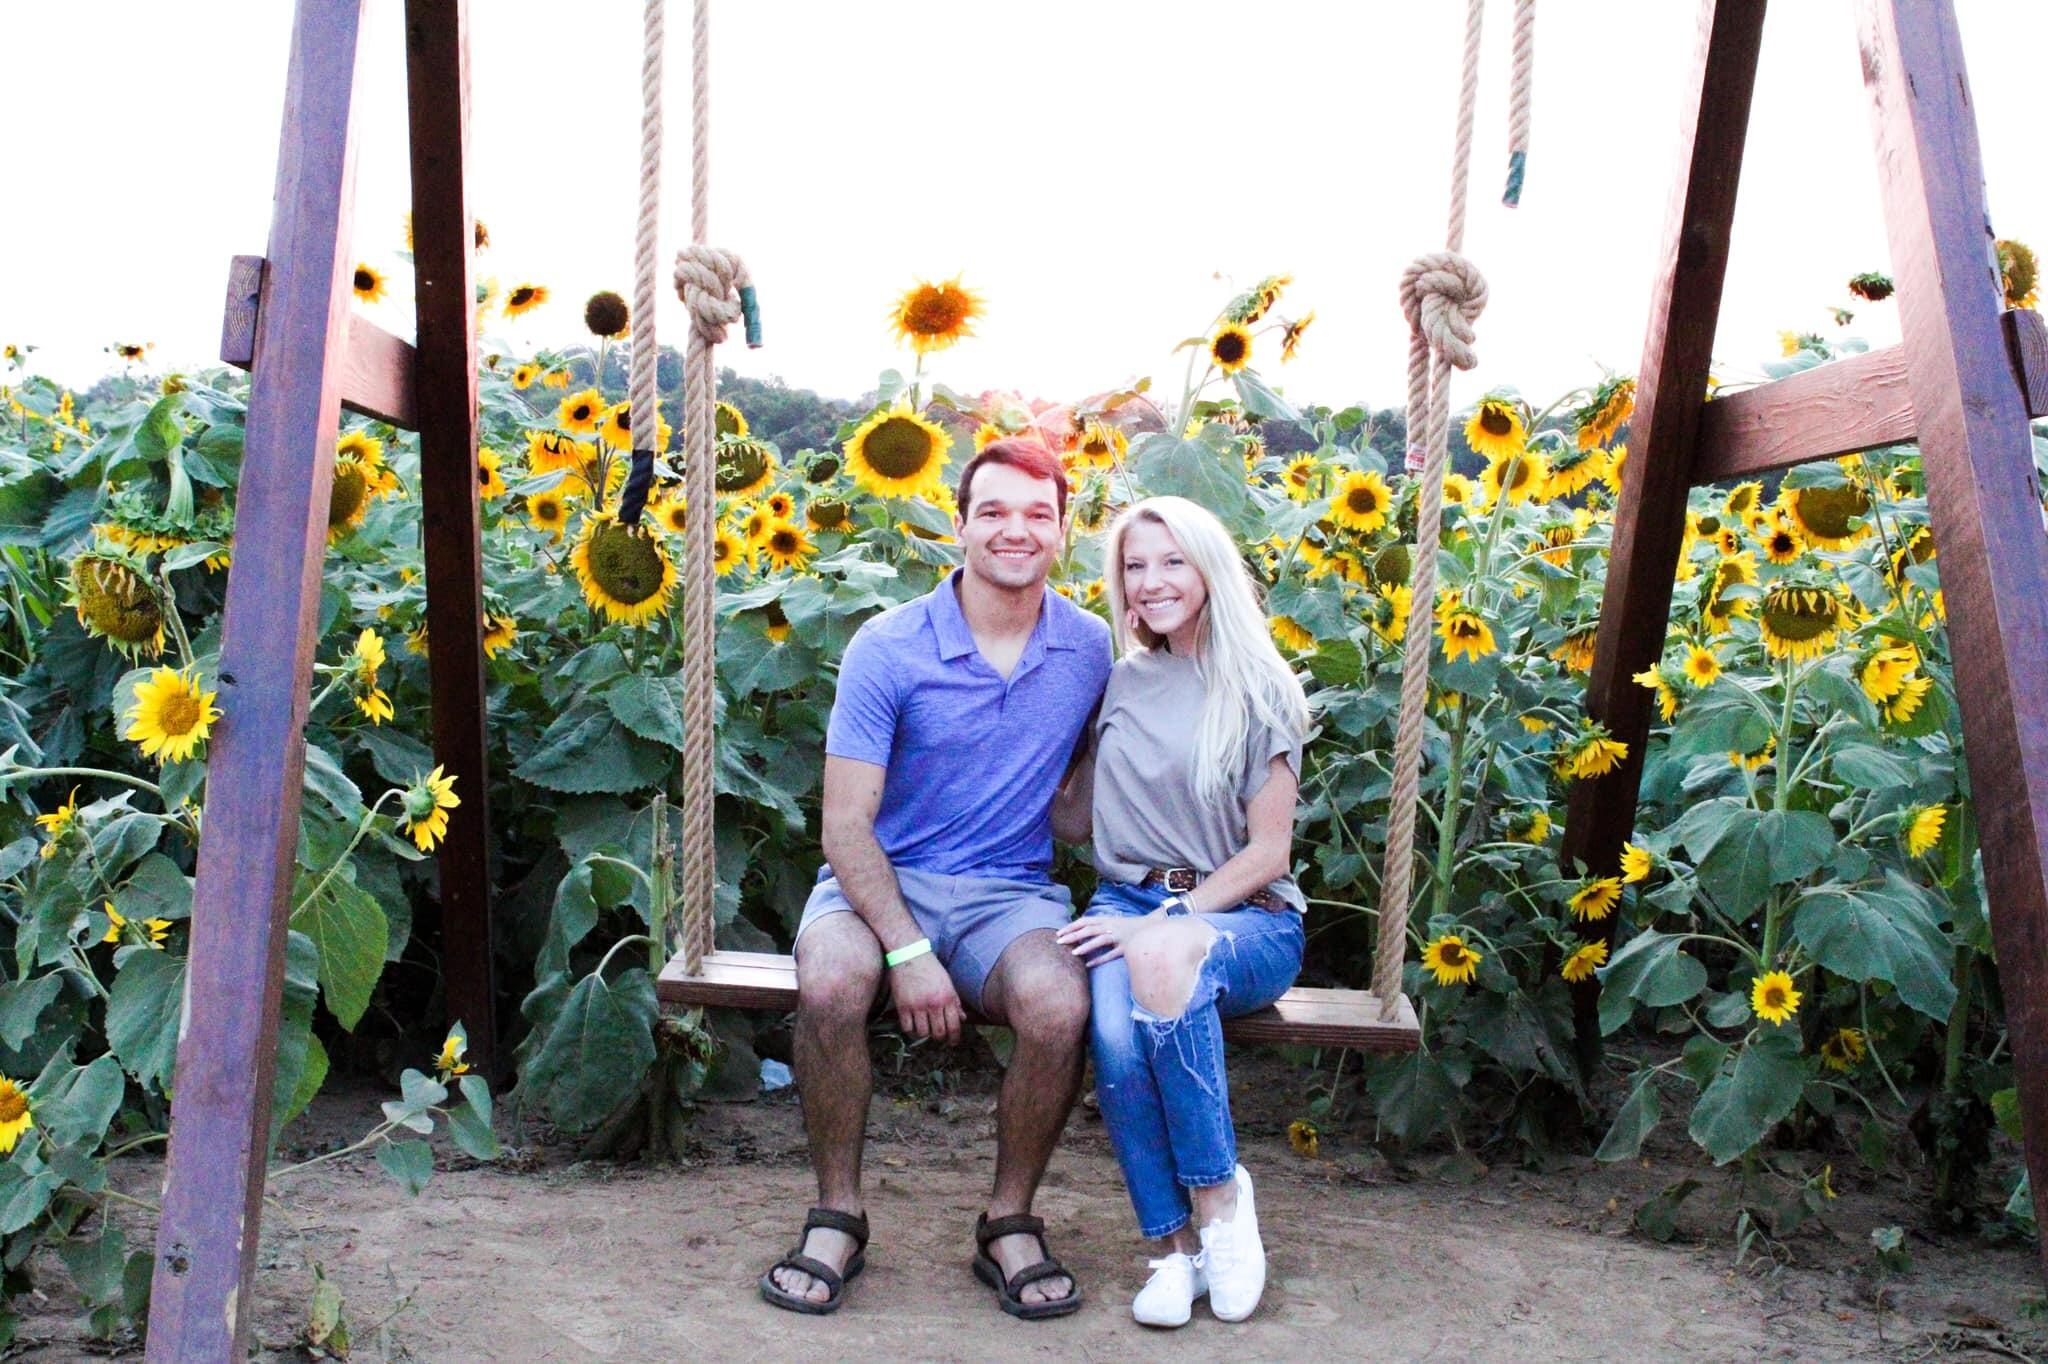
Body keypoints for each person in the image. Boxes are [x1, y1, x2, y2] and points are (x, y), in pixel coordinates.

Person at [760, 439, 1113, 1320]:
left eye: (1038, 513)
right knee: (833, 983)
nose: (1015, 530)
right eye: (992, 511)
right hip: (881, 879)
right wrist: (908, 949)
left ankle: (1009, 1222)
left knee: (1060, 1004)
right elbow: (845, 825)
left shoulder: (1091, 649)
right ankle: (838, 1211)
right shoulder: (889, 646)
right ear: (957, 526)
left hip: (1009, 892)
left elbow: (1073, 816)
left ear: (1063, 531)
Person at [1053, 494, 1311, 1328]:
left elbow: (1268, 854)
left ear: (1208, 569)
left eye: (1171, 561)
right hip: (1123, 901)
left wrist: (1165, 922)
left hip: (1244, 915)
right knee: (1118, 1043)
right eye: (1135, 565)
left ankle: (1220, 1206)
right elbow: (1073, 820)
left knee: (1162, 959)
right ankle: (1170, 1253)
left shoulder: (1260, 684)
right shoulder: (1119, 681)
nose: (1152, 580)